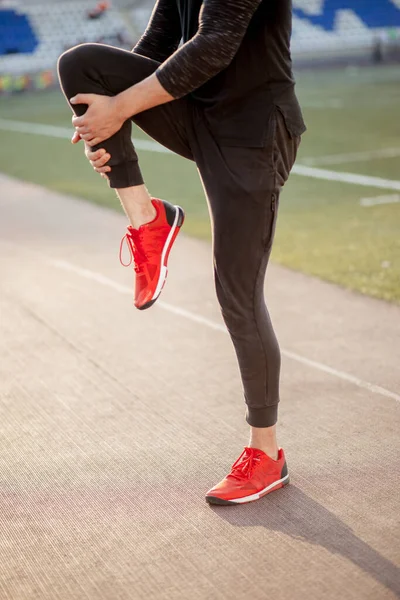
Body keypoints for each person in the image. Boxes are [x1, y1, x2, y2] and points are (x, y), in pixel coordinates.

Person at [57, 0, 306, 505]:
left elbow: (214, 44)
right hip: (201, 111)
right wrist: (99, 124)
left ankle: (266, 454)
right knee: (82, 65)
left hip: (255, 131)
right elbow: (153, 47)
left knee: (236, 295)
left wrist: (118, 111)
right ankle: (147, 220)